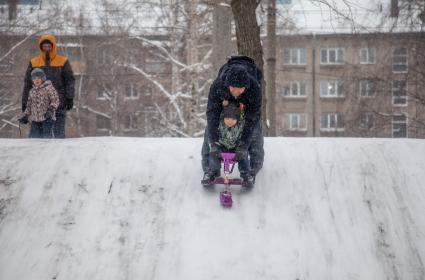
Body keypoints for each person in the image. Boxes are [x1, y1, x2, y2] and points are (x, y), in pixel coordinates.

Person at [201, 56, 264, 184]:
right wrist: (214, 143)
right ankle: (210, 170)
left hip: (246, 106)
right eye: (234, 88)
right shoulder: (217, 86)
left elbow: (252, 118)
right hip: (224, 105)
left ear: (246, 87)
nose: (236, 92)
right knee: (209, 130)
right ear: (227, 85)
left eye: (240, 89)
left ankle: (252, 169)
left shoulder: (254, 89)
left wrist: (243, 144)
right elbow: (212, 115)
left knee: (255, 130)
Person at [22, 34, 75, 138]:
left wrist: (70, 97)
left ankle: (57, 154)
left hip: (58, 105)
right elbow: (28, 83)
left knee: (58, 137)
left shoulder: (63, 61)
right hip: (38, 108)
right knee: (37, 139)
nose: (46, 48)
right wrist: (24, 101)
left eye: (49, 46)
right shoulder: (34, 62)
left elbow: (70, 80)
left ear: (53, 46)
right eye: (44, 46)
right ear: (41, 47)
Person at [201, 101, 254, 188]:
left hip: (236, 148)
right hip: (221, 147)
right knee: (213, 155)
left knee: (244, 155)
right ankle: (212, 173)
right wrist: (215, 146)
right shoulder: (219, 124)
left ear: (237, 119)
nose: (230, 121)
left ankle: (246, 175)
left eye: (233, 119)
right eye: (227, 119)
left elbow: (245, 137)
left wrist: (241, 148)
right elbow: (213, 135)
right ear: (223, 118)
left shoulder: (241, 126)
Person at [18, 68, 60, 138]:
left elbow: (55, 100)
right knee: (34, 138)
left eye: (38, 78)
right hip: (35, 120)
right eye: (34, 78)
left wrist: (51, 109)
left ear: (43, 78)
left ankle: (50, 147)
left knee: (46, 138)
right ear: (32, 80)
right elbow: (29, 105)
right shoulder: (32, 91)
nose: (36, 80)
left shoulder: (48, 88)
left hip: (47, 118)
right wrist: (26, 115)